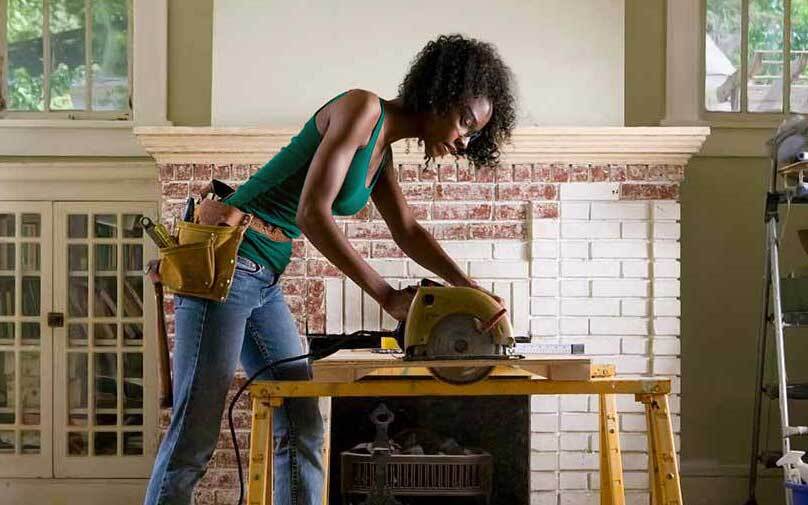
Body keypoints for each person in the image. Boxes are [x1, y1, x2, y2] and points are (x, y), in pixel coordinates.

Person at [143, 33, 517, 505]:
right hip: (225, 266)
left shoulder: (382, 153)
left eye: (474, 134)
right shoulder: (362, 109)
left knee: (301, 423)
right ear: (440, 95)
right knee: (193, 437)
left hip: (261, 277)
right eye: (465, 123)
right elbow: (311, 214)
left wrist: (474, 293)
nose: (465, 141)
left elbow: (407, 229)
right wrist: (384, 295)